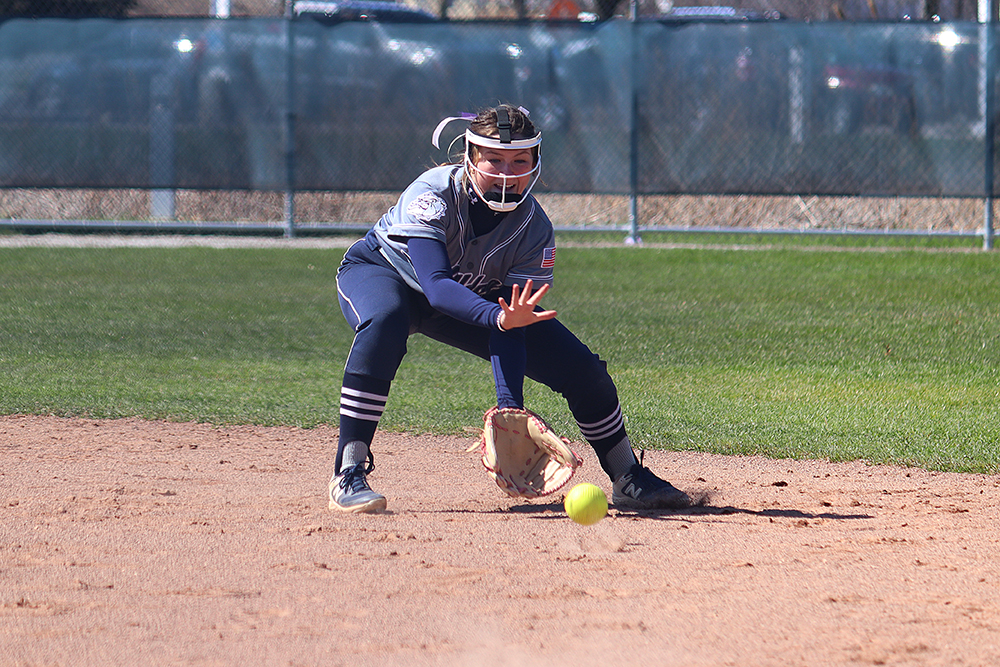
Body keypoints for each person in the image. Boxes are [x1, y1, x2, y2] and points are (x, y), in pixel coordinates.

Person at [330, 103, 691, 514]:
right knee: (385, 321)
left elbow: (511, 321)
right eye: (494, 159)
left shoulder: (535, 230)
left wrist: (510, 411)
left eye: (519, 161)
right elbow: (437, 287)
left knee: (582, 368)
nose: (507, 172)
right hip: (387, 274)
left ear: (535, 163)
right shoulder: (432, 194)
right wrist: (499, 318)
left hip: (475, 301)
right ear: (470, 156)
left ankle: (627, 476)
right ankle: (348, 472)